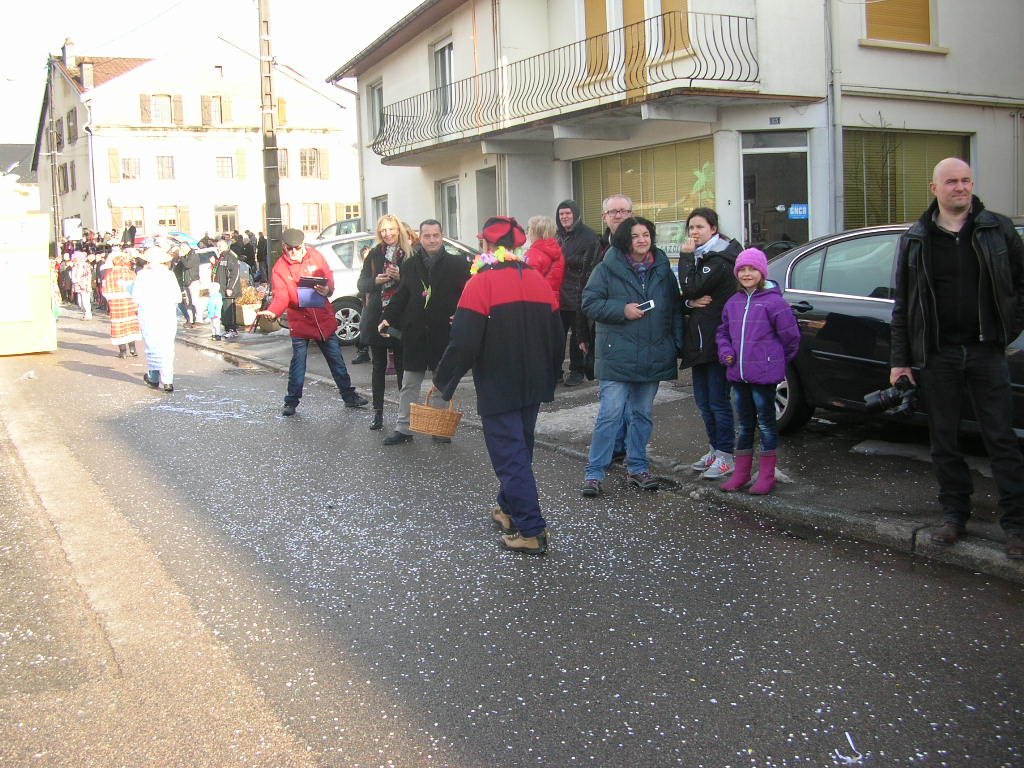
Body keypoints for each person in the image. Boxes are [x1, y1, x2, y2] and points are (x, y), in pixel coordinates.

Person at [890, 157, 1024, 559]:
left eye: (966, 180)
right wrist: (901, 360)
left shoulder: (997, 229)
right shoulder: (917, 238)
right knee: (944, 441)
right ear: (935, 189)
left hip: (986, 352)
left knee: (1001, 439)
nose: (960, 187)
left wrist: (1006, 332)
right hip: (938, 355)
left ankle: (1016, 527)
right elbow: (904, 304)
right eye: (951, 182)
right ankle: (954, 515)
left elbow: (1021, 284)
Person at [434, 216, 562, 554]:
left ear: (487, 247)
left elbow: (463, 341)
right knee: (520, 447)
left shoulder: (480, 283)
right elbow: (555, 334)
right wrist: (551, 376)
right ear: (517, 247)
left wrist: (442, 380)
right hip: (533, 380)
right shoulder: (537, 279)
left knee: (509, 455)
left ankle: (532, 530)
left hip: (499, 381)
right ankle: (508, 510)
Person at [580, 216, 683, 496]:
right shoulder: (606, 267)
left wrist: (677, 345)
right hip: (617, 354)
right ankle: (594, 473)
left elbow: (674, 309)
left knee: (642, 414)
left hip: (654, 352)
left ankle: (638, 467)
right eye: (636, 235)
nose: (641, 239)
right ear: (626, 239)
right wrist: (621, 310)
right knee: (610, 414)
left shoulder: (662, 268)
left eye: (646, 234)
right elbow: (589, 303)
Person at [378, 219, 471, 445]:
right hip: (416, 334)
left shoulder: (457, 264)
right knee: (409, 383)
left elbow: (469, 293)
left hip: (444, 333)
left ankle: (439, 428)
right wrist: (386, 318)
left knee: (441, 383)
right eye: (427, 236)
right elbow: (402, 296)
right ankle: (403, 429)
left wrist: (462, 314)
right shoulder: (410, 265)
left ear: (442, 236)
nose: (431, 240)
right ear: (421, 237)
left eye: (435, 235)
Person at [715, 248, 800, 495]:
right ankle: (741, 473)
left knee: (766, 423)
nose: (747, 273)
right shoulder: (733, 302)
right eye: (742, 269)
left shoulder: (774, 303)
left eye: (752, 269)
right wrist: (725, 352)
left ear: (762, 272)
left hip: (764, 376)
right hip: (738, 374)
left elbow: (791, 338)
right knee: (744, 425)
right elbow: (723, 332)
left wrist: (775, 362)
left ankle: (766, 475)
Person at [257, 228, 368, 415]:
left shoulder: (315, 256)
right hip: (300, 321)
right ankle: (291, 402)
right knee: (298, 364)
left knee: (337, 361)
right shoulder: (280, 268)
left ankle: (349, 396)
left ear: (303, 246)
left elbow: (329, 276)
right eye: (289, 248)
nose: (293, 252)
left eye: (297, 248)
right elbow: (282, 296)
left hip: (323, 318)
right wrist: (273, 311)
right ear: (284, 246)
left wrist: (328, 289)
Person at [679, 207, 744, 480]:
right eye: (691, 228)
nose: (694, 233)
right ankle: (714, 450)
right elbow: (687, 296)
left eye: (700, 228)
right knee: (703, 401)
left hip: (717, 341)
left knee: (718, 401)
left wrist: (684, 258)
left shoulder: (719, 259)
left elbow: (690, 286)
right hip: (700, 340)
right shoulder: (703, 256)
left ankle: (726, 455)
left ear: (713, 229)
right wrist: (689, 303)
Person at [357, 215, 410, 430]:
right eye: (383, 230)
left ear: (399, 230)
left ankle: (403, 415)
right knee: (378, 366)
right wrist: (375, 282)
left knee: (401, 367)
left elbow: (416, 285)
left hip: (400, 315)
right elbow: (361, 284)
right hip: (376, 315)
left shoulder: (409, 253)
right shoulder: (374, 254)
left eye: (391, 229)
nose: (388, 234)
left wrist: (400, 278)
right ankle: (377, 413)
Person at [555, 199, 600, 387]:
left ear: (575, 214)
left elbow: (591, 263)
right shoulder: (557, 235)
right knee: (557, 334)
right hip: (557, 293)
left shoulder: (589, 236)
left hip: (577, 292)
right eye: (561, 214)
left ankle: (577, 370)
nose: (564, 217)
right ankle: (555, 371)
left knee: (577, 335)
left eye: (568, 213)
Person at [130, 247, 181, 392]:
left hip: (149, 313)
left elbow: (136, 296)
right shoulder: (169, 275)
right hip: (167, 313)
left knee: (152, 346)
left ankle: (153, 377)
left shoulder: (142, 275)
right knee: (167, 346)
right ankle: (168, 380)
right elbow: (177, 296)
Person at [100, 251, 141, 358]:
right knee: (130, 324)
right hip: (130, 302)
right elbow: (137, 288)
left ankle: (123, 351)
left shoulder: (109, 274)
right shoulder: (131, 273)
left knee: (119, 325)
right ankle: (133, 349)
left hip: (116, 303)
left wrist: (109, 299)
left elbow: (104, 290)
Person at [524, 215, 565, 308]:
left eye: (529, 229)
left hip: (535, 303)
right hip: (553, 301)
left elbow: (526, 282)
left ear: (534, 231)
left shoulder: (533, 253)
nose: (528, 232)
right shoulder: (557, 251)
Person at [215, 238, 241, 338]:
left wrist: (230, 287)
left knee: (229, 310)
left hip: (229, 289)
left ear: (226, 246)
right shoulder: (221, 257)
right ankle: (226, 328)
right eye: (217, 246)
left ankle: (232, 329)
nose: (218, 248)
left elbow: (235, 273)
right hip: (221, 288)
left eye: (220, 246)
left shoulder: (230, 256)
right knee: (224, 310)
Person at [172, 243, 200, 327]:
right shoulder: (185, 257)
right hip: (186, 282)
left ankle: (198, 319)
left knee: (195, 301)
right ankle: (190, 319)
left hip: (193, 280)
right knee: (188, 302)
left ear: (187, 247)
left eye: (183, 248)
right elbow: (177, 269)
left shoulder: (193, 255)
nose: (182, 249)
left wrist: (181, 257)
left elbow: (187, 265)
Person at [70, 251, 93, 319]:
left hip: (84, 285)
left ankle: (88, 315)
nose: (75, 261)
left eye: (76, 259)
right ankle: (85, 313)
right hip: (77, 286)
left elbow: (89, 276)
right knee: (80, 302)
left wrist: (88, 286)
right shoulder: (74, 267)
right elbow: (73, 276)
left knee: (85, 300)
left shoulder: (85, 265)